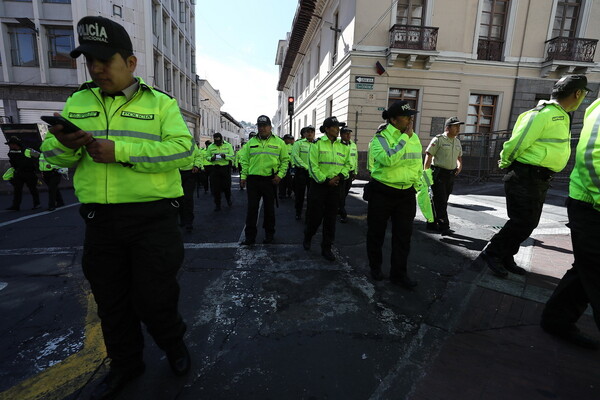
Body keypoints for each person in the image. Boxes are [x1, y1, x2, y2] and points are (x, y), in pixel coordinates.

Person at [40, 16, 193, 400]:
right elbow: (53, 155)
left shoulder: (161, 104)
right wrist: (67, 145)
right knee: (112, 303)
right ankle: (126, 365)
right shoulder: (78, 101)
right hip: (100, 223)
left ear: (130, 63)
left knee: (155, 300)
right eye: (90, 60)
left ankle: (174, 345)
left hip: (152, 221)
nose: (96, 68)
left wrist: (120, 152)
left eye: (105, 60)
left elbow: (183, 151)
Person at [481, 75, 589, 278]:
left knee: (527, 222)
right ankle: (493, 253)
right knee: (522, 221)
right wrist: (505, 163)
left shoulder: (562, 115)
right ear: (577, 93)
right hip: (525, 175)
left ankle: (506, 256)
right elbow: (516, 143)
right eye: (584, 93)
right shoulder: (542, 114)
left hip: (538, 178)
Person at [540, 97, 600, 350]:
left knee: (588, 269)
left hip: (587, 201)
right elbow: (592, 158)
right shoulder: (542, 115)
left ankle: (557, 319)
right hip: (592, 204)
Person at [367, 101, 422, 288]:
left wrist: (417, 184)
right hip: (382, 192)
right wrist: (404, 138)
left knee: (403, 237)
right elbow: (389, 159)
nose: (410, 120)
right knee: (376, 234)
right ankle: (375, 268)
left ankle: (399, 274)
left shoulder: (414, 137)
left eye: (411, 116)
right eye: (406, 116)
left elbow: (416, 163)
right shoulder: (380, 138)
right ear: (392, 119)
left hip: (406, 194)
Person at [303, 116, 351, 261]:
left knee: (330, 219)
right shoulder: (316, 144)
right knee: (315, 218)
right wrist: (325, 181)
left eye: (338, 127)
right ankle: (308, 236)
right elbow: (313, 166)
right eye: (336, 127)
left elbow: (348, 164)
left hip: (336, 187)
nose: (338, 130)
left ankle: (327, 248)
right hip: (319, 187)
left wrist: (339, 177)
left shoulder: (343, 145)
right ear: (327, 129)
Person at [239, 115, 289, 245]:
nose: (262, 128)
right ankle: (249, 238)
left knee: (269, 210)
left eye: (264, 126)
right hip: (253, 180)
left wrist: (280, 175)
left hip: (270, 180)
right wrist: (243, 177)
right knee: (252, 210)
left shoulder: (279, 142)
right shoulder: (251, 143)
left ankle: (269, 235)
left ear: (270, 127)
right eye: (259, 126)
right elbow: (244, 161)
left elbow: (285, 161)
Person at [423, 116, 463, 234]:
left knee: (443, 199)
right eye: (455, 126)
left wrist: (459, 166)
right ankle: (444, 226)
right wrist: (426, 174)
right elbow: (429, 155)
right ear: (447, 128)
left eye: (459, 126)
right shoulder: (438, 139)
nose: (458, 128)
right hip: (439, 173)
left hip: (450, 175)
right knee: (440, 200)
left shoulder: (457, 141)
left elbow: (459, 157)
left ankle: (431, 222)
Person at [5, 136, 40, 211]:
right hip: (19, 173)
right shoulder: (11, 152)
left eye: (10, 144)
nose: (9, 146)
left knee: (33, 189)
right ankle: (16, 206)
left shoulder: (27, 150)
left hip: (29, 173)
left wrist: (37, 168)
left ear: (15, 144)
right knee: (17, 190)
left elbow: (38, 156)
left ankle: (37, 204)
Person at [205, 132, 234, 211]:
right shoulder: (211, 147)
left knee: (227, 187)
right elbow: (207, 156)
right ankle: (217, 205)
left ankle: (228, 200)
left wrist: (225, 156)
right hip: (215, 169)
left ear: (221, 139)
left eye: (219, 141)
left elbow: (232, 156)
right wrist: (212, 158)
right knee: (216, 188)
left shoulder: (228, 145)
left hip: (225, 168)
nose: (218, 143)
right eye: (216, 142)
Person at [292, 126, 315, 220]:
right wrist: (306, 167)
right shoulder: (298, 143)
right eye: (307, 132)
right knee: (300, 194)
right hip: (301, 172)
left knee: (312, 195)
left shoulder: (316, 144)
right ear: (304, 134)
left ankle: (310, 214)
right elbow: (295, 156)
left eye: (311, 132)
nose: (310, 133)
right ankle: (298, 212)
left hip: (313, 173)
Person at [179, 143, 202, 232]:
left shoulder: (191, 143)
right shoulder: (172, 142)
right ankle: (182, 218)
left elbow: (198, 156)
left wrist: (196, 165)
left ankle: (189, 221)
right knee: (178, 197)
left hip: (190, 173)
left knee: (188, 197)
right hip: (176, 172)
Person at [338, 127, 358, 223]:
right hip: (341, 172)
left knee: (345, 192)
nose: (348, 135)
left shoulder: (353, 145)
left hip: (350, 172)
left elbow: (355, 159)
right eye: (346, 133)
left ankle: (339, 207)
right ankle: (342, 212)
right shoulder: (338, 144)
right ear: (341, 135)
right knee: (341, 193)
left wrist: (355, 171)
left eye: (349, 133)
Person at [278, 134, 294, 199]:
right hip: (282, 165)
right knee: (282, 180)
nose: (290, 140)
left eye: (290, 139)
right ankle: (282, 193)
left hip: (290, 165)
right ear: (284, 139)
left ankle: (289, 192)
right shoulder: (281, 145)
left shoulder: (292, 146)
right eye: (288, 139)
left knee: (290, 180)